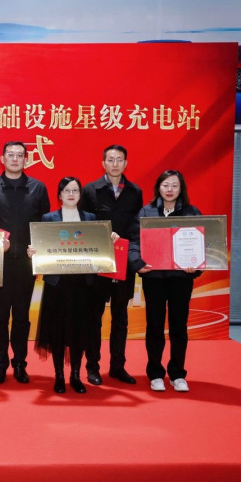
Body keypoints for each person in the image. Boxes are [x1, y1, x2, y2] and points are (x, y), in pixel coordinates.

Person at [28, 176, 119, 394]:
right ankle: (59, 376)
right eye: (66, 190)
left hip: (84, 286)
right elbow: (41, 248)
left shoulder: (91, 219)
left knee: (80, 332)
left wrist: (110, 239)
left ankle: (75, 376)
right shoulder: (48, 219)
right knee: (57, 333)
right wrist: (33, 252)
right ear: (59, 195)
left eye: (75, 190)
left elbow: (99, 247)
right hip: (57, 285)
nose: (71, 194)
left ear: (80, 195)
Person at [0, 141, 50, 384]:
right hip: (0, 263)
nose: (15, 159)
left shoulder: (37, 188)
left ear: (26, 159)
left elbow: (44, 224)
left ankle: (19, 363)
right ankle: (0, 365)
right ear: (2, 158)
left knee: (21, 316)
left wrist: (38, 250)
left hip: (26, 264)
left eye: (20, 155)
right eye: (11, 154)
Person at [129, 170, 202, 393]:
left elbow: (202, 244)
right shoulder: (146, 212)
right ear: (158, 188)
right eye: (165, 185)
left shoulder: (191, 213)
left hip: (181, 279)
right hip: (154, 279)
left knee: (179, 327)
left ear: (181, 189)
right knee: (155, 327)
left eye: (174, 186)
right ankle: (155, 373)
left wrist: (195, 265)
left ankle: (177, 374)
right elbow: (134, 242)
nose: (169, 190)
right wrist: (138, 263)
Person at [79, 144, 142, 386]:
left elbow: (137, 228)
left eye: (119, 160)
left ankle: (117, 367)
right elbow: (82, 226)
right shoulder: (90, 190)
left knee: (120, 318)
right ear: (103, 163)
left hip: (123, 262)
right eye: (111, 160)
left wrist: (132, 253)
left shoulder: (135, 192)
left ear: (126, 163)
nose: (115, 164)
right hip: (97, 262)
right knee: (93, 317)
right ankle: (92, 367)